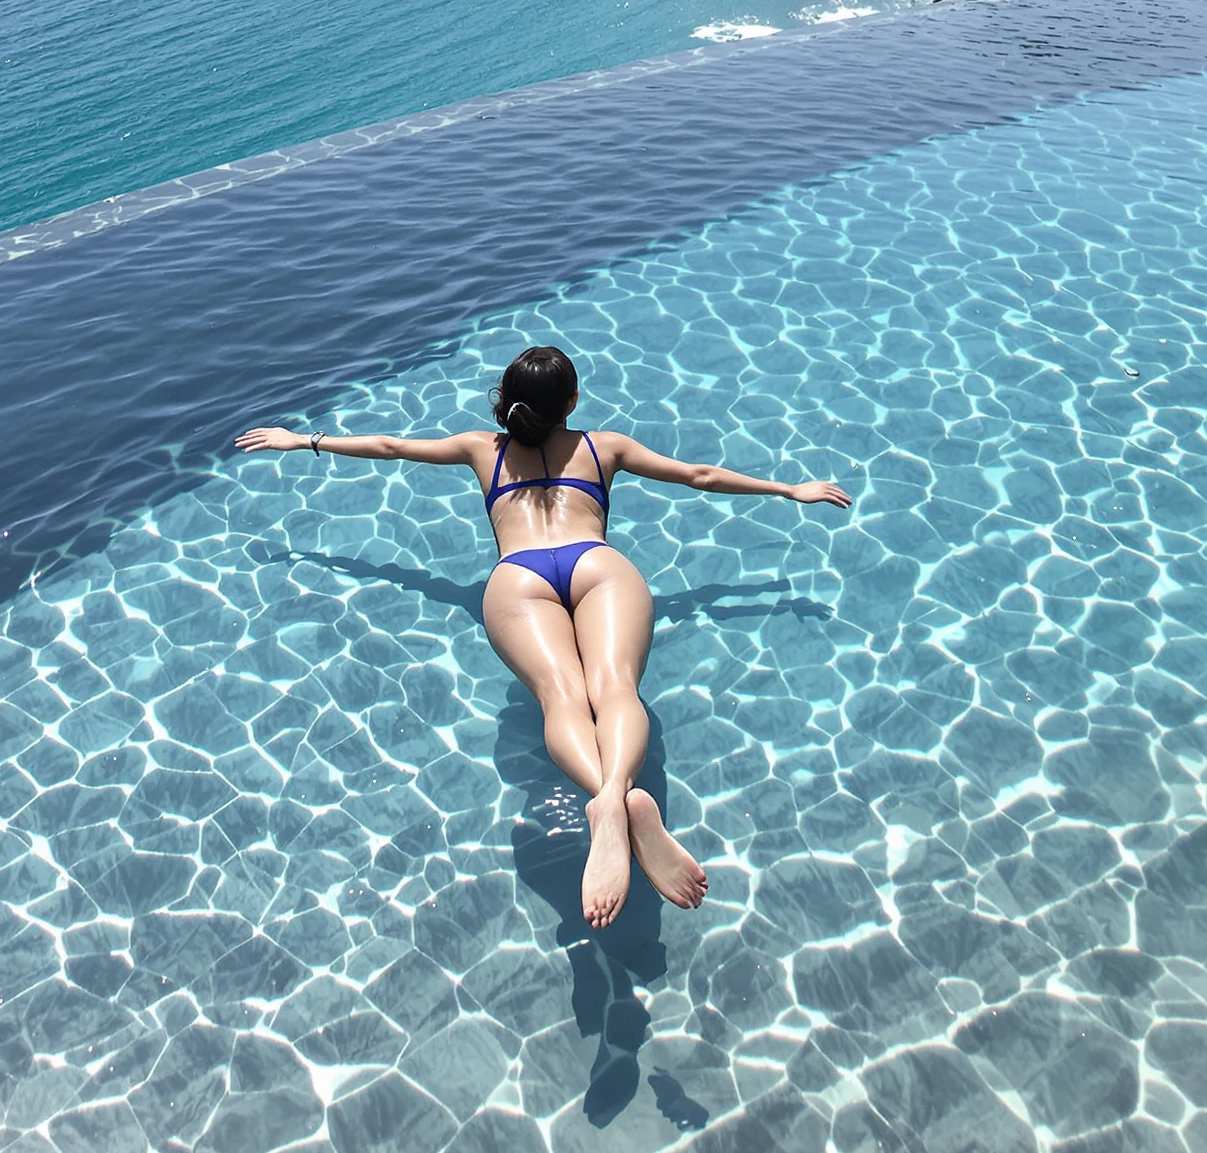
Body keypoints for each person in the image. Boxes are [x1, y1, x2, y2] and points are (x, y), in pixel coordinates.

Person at [236, 344, 853, 930]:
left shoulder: (482, 449)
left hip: (519, 578)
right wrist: (788, 489)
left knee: (563, 698)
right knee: (615, 689)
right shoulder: (602, 446)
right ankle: (620, 795)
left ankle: (604, 803)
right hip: (596, 564)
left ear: (506, 401)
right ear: (574, 402)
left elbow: (391, 444)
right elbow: (698, 475)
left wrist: (304, 440)